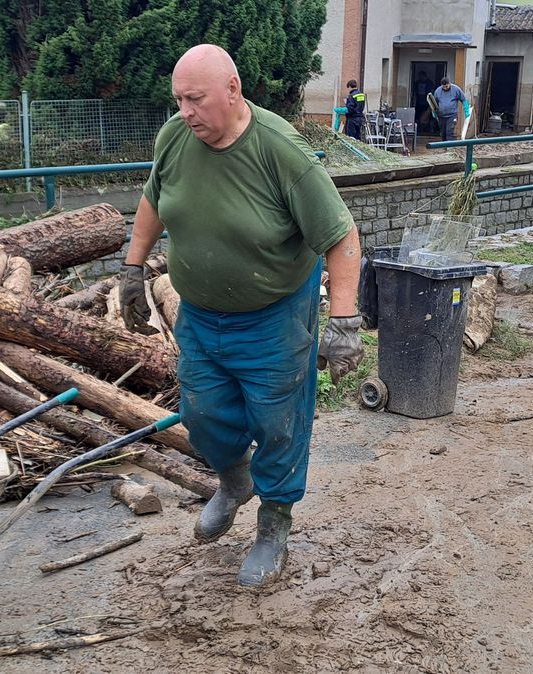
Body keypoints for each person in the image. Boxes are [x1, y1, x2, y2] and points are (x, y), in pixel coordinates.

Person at [119, 44, 364, 588]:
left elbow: (343, 238)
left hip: (273, 315)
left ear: (232, 91)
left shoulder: (281, 152)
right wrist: (131, 268)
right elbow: (154, 199)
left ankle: (274, 521)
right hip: (203, 317)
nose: (186, 112)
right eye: (179, 100)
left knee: (279, 424)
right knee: (202, 415)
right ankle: (234, 480)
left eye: (196, 99)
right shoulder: (175, 136)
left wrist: (344, 320)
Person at [432, 76, 466, 142]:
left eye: (447, 86)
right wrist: (434, 111)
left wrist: (466, 110)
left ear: (449, 83)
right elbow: (434, 102)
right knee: (443, 133)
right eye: (444, 87)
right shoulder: (438, 91)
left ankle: (449, 148)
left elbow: (463, 99)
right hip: (441, 115)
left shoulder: (456, 89)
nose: (445, 88)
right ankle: (444, 146)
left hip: (452, 115)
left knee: (449, 132)